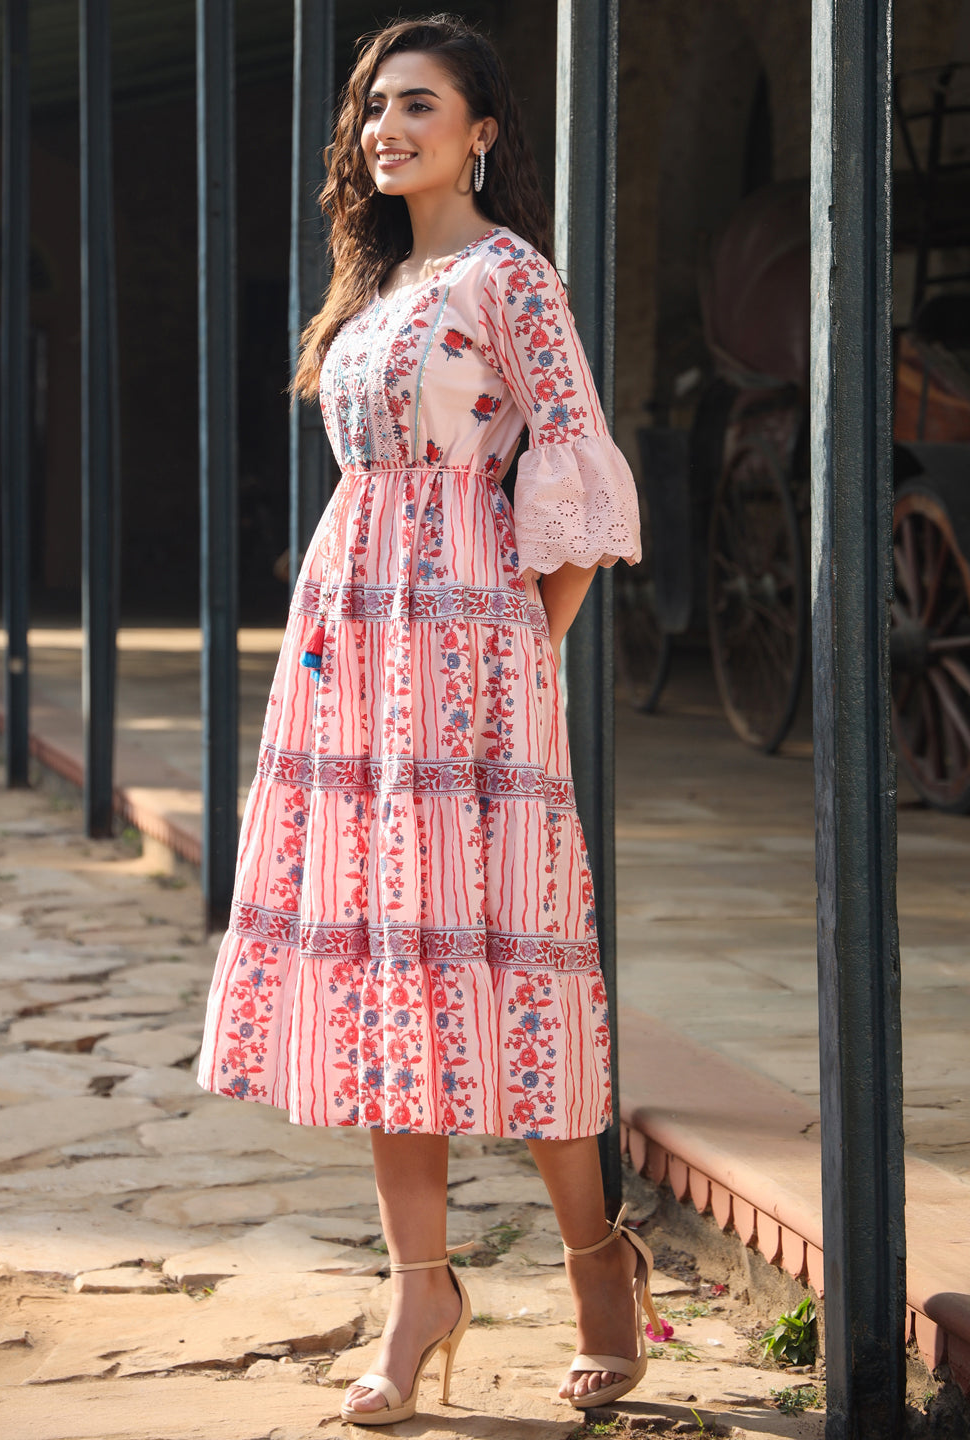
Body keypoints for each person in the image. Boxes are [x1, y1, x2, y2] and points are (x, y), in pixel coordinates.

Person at [196, 12, 656, 1426]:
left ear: (483, 130)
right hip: (353, 669)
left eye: (417, 104)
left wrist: (520, 645)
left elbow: (575, 477)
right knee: (388, 973)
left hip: (469, 669)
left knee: (514, 960)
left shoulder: (513, 277)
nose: (383, 127)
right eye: (371, 109)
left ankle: (595, 1266)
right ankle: (420, 1293)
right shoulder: (375, 280)